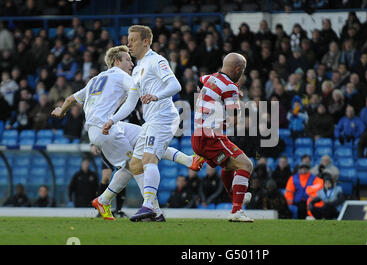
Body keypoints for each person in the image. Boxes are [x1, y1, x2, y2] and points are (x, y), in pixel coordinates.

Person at [52, 44, 203, 221]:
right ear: (117, 61)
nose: (131, 64)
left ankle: (188, 160)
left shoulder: (96, 79)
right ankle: (151, 210)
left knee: (147, 140)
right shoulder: (121, 76)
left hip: (108, 126)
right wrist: (161, 95)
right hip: (105, 130)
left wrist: (61, 111)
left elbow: (71, 99)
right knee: (134, 164)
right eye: (128, 60)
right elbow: (140, 88)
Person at [102, 26, 204, 222]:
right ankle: (156, 213)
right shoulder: (138, 68)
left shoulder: (157, 61)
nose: (129, 43)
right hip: (152, 120)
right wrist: (112, 119)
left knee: (149, 158)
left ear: (146, 42)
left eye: (133, 40)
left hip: (164, 117)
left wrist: (156, 95)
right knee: (135, 164)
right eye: (128, 39)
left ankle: (148, 205)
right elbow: (131, 102)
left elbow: (176, 85)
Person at [190, 52, 255, 222]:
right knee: (246, 165)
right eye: (243, 70)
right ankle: (237, 210)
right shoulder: (231, 87)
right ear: (238, 69)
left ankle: (235, 198)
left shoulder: (210, 78)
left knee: (229, 166)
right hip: (211, 137)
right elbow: (234, 118)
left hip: (198, 136)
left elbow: (200, 81)